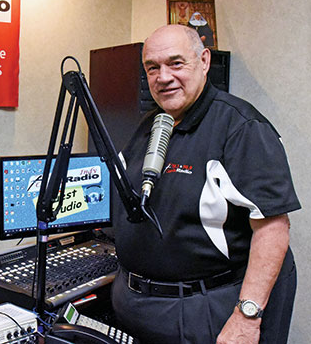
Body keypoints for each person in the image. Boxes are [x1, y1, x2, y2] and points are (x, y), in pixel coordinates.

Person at [111, 24, 300, 344]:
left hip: (206, 308)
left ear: (204, 61)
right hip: (142, 307)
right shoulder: (150, 125)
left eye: (176, 63)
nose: (163, 77)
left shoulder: (241, 127)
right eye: (152, 68)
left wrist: (246, 317)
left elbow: (273, 228)